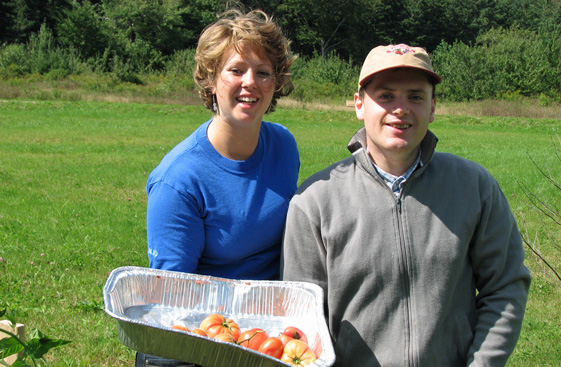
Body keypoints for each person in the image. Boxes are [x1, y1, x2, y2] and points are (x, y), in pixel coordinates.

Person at [281, 44, 531, 367]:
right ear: (359, 104)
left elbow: (506, 285)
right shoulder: (313, 202)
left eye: (415, 96)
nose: (401, 109)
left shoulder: (475, 187)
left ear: (433, 107)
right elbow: (300, 321)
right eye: (385, 96)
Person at [138, 9, 299, 367]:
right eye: (236, 70)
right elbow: (173, 299)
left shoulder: (284, 146)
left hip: (270, 333)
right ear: (211, 80)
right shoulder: (178, 181)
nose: (250, 83)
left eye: (263, 72)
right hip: (206, 339)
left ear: (276, 83)